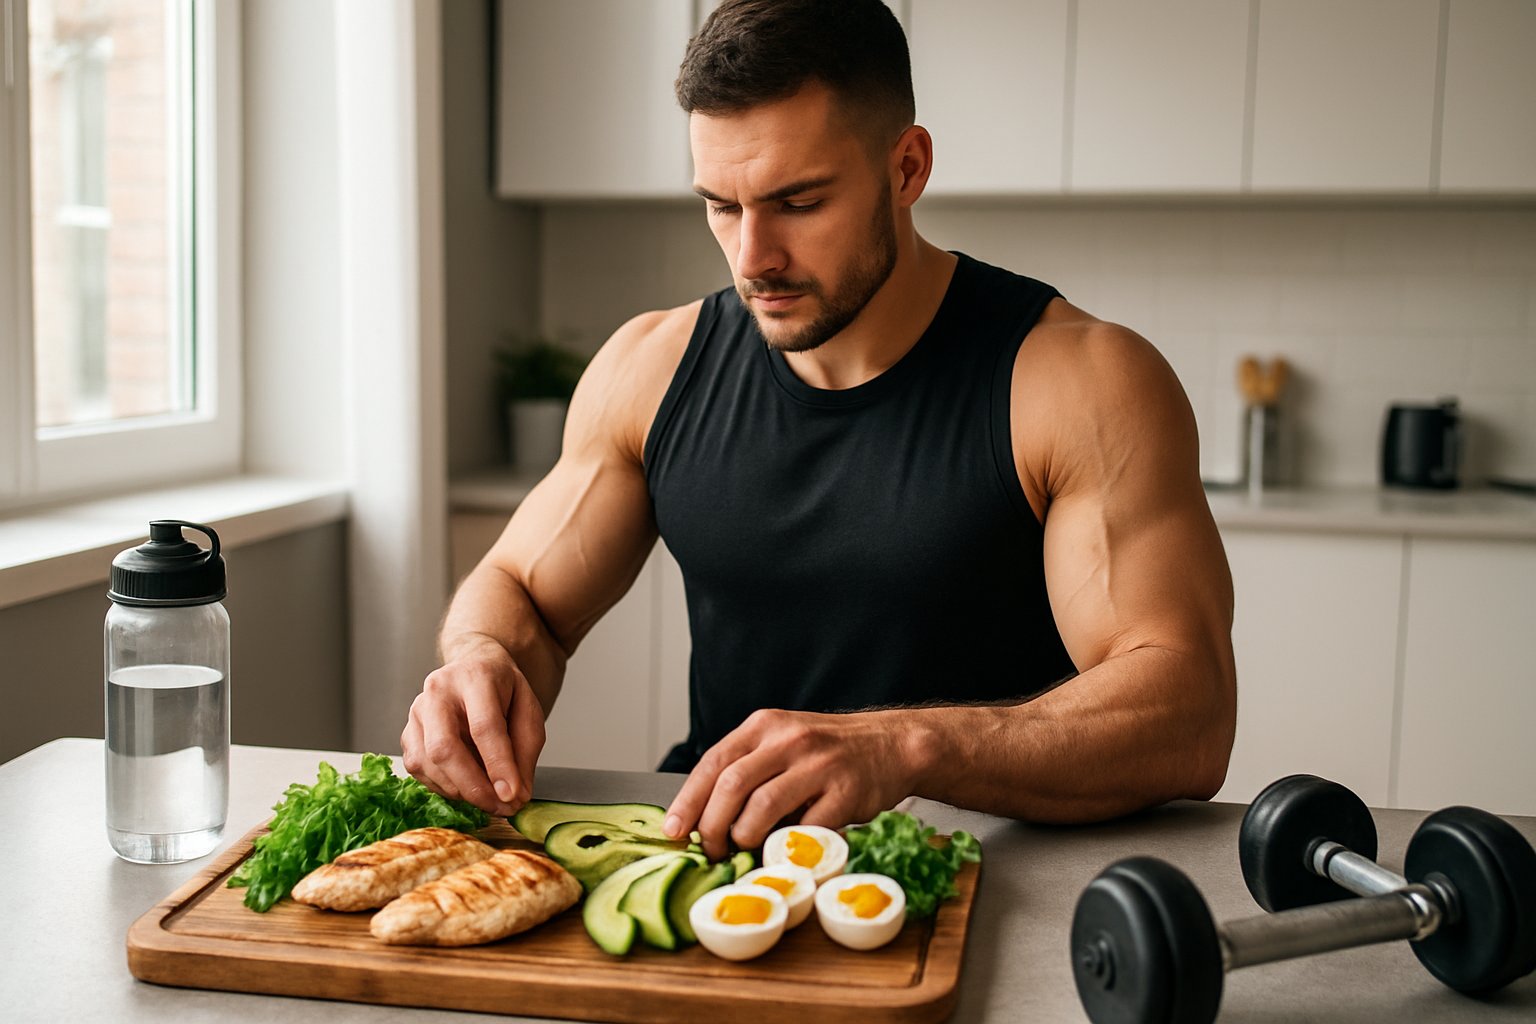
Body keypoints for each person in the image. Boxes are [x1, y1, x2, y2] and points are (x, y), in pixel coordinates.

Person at [402, 0, 1236, 860]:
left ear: (906, 168)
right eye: (721, 205)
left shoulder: (1078, 379)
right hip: (724, 863)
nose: (751, 255)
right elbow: (525, 596)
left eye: (797, 201)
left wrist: (908, 748)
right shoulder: (651, 367)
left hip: (984, 871)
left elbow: (1189, 710)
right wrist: (478, 656)